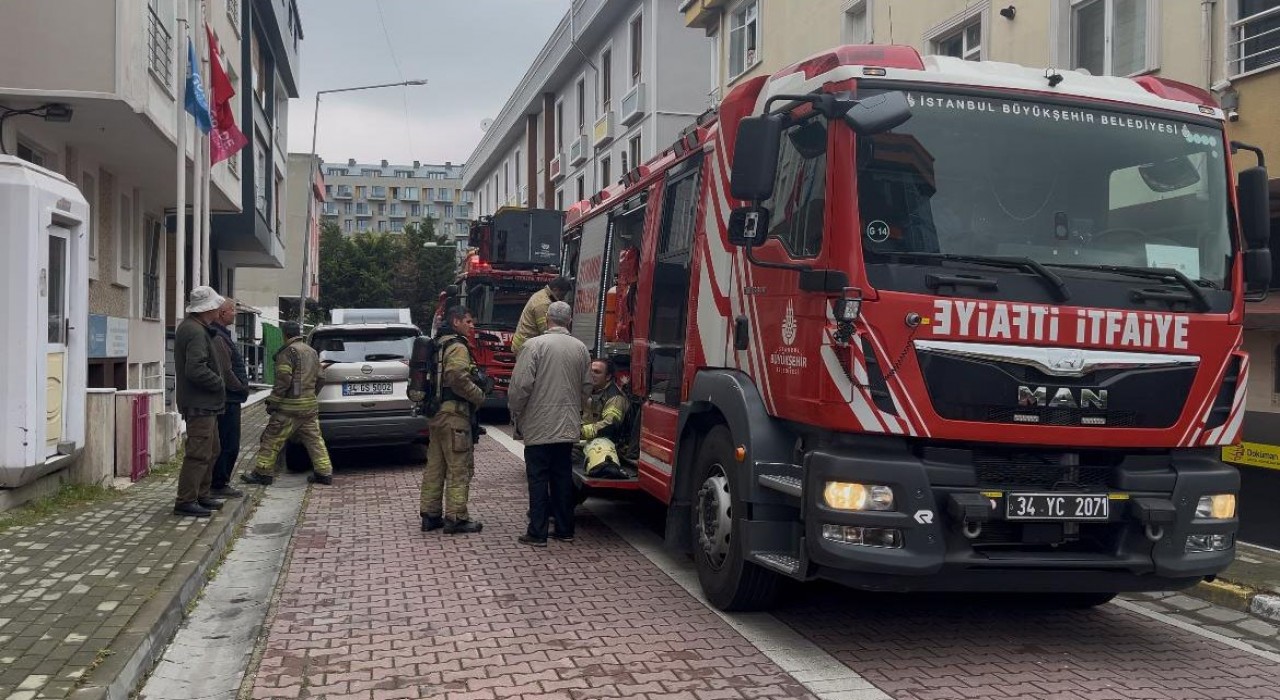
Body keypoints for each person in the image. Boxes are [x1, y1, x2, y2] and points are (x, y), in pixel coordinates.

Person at [508, 301, 590, 547]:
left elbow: (520, 387)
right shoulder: (581, 348)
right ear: (569, 321)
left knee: (538, 478)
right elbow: (587, 387)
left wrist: (516, 412)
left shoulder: (533, 346)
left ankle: (537, 531)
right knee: (562, 477)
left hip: (539, 423)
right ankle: (565, 529)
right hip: (567, 424)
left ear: (546, 319)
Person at [419, 306, 490, 534]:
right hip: (455, 416)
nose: (472, 326)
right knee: (459, 467)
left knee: (435, 467)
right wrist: (478, 396)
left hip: (437, 415)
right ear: (456, 321)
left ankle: (430, 515)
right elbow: (456, 376)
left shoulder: (438, 344)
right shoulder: (458, 346)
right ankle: (456, 517)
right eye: (468, 321)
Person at [241, 321, 333, 486]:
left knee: (271, 438)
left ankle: (263, 473)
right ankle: (324, 473)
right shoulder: (311, 351)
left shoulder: (287, 352)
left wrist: (273, 402)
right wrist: (311, 395)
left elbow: (284, 380)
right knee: (315, 441)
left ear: (285, 334)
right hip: (309, 408)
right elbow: (321, 378)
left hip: (289, 409)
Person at [173, 286, 228, 518]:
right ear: (209, 309)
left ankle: (201, 495)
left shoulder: (194, 327)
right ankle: (186, 500)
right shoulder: (195, 331)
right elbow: (195, 369)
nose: (220, 309)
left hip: (204, 403)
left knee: (211, 450)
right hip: (201, 403)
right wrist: (219, 383)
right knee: (198, 452)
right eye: (217, 306)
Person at [209, 298, 248, 498]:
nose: (235, 314)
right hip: (228, 398)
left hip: (230, 398)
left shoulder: (223, 334)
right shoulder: (218, 336)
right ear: (222, 313)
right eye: (232, 310)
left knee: (228, 442)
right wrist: (240, 387)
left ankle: (219, 481)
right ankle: (219, 483)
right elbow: (225, 369)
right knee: (228, 442)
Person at [576, 358, 631, 479]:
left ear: (608, 377)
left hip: (609, 444)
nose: (591, 375)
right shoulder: (592, 392)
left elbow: (610, 425)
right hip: (590, 440)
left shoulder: (615, 398)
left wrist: (581, 432)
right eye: (590, 371)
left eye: (597, 372)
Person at [511, 276, 573, 355]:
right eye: (563, 294)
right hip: (527, 347)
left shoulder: (543, 295)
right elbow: (546, 331)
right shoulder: (543, 304)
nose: (563, 298)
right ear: (555, 290)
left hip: (525, 343)